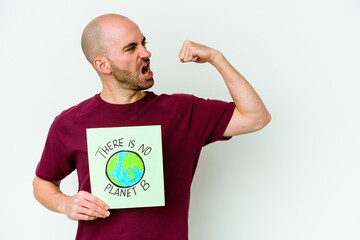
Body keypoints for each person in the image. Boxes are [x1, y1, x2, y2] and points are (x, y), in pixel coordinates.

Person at [33, 13, 271, 240]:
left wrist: (216, 59)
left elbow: (255, 117)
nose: (146, 53)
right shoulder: (70, 123)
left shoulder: (182, 111)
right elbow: (43, 182)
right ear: (103, 65)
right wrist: (65, 203)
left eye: (143, 43)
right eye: (131, 48)